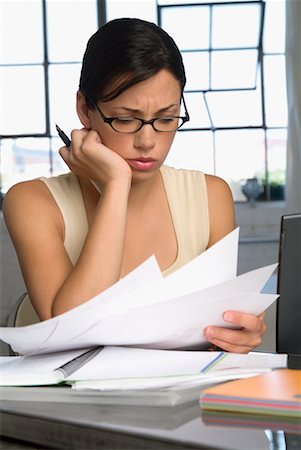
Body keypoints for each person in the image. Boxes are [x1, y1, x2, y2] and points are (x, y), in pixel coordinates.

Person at [3, 18, 266, 353]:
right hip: (61, 402)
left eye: (167, 118)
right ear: (85, 109)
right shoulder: (32, 201)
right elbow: (71, 329)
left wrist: (234, 335)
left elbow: (212, 337)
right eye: (126, 119)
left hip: (171, 398)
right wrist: (116, 185)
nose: (148, 141)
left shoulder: (210, 196)